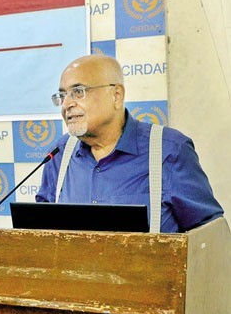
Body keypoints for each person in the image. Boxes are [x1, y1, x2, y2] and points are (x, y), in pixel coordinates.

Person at [36, 54, 223, 233]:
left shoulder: (170, 151)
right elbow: (40, 234)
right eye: (62, 95)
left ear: (116, 95)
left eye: (78, 92)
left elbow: (209, 239)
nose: (66, 104)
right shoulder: (59, 153)